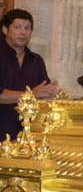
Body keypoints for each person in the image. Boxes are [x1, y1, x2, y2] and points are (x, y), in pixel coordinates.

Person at [0, 9, 61, 139]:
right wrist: (31, 95)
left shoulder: (36, 60)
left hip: (29, 136)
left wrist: (50, 93)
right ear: (5, 30)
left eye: (27, 28)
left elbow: (41, 94)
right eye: (18, 27)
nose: (23, 32)